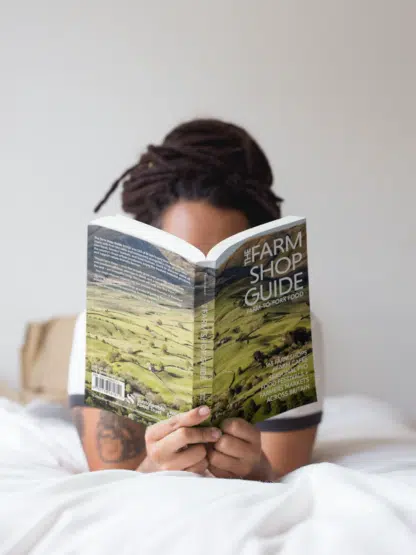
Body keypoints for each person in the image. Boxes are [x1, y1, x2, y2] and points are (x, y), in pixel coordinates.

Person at [68, 118, 323, 480]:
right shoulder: (99, 326)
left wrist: (257, 469)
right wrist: (153, 467)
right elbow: (110, 479)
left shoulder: (298, 330)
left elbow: (284, 475)